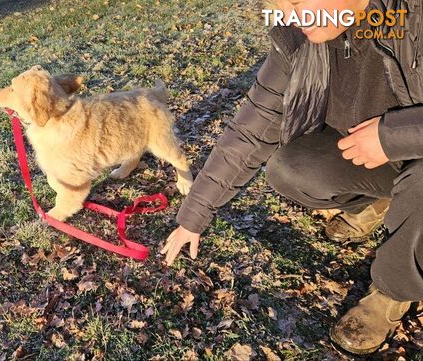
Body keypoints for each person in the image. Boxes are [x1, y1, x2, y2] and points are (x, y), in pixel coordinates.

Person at [160, 0, 423, 355]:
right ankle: (377, 198)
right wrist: (193, 216)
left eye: (298, 2)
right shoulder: (298, 38)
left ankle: (393, 292)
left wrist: (393, 137)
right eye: (279, 4)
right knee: (292, 168)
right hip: (371, 155)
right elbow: (250, 131)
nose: (291, 17)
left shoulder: (413, 18)